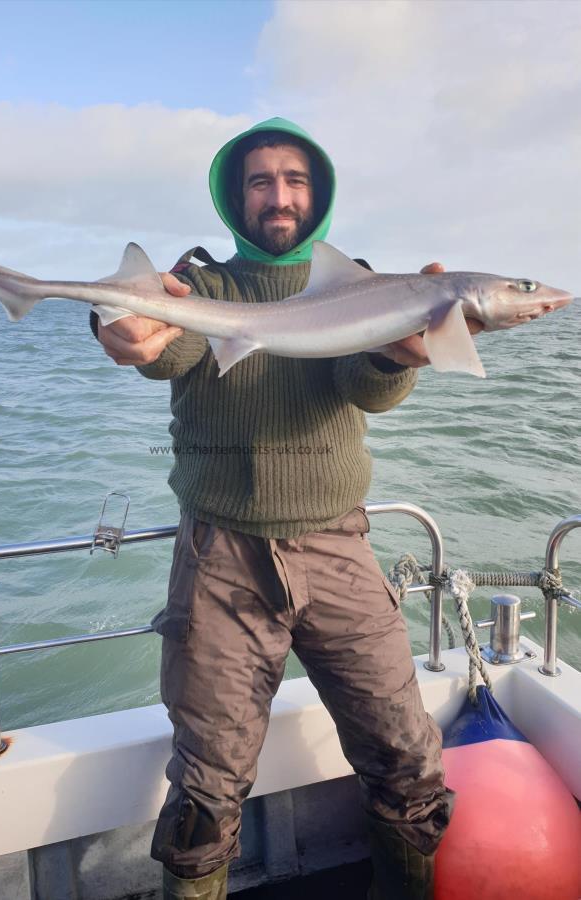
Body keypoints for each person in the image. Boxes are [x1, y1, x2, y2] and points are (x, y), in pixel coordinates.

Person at [92, 118, 478, 900]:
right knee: (205, 791)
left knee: (406, 758)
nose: (278, 195)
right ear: (237, 199)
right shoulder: (201, 286)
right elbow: (167, 348)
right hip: (220, 560)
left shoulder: (363, 286)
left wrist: (393, 350)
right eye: (260, 181)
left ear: (319, 195)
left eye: (295, 180)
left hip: (337, 548)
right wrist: (124, 331)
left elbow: (365, 392)